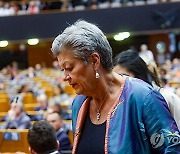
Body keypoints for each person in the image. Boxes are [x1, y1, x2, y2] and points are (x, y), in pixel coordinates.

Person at [50, 20, 180, 154]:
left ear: (94, 61)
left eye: (69, 68)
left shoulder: (143, 97)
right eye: (63, 70)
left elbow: (173, 149)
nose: (65, 76)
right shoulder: (79, 103)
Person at [113, 49, 180, 129]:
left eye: (123, 76)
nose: (119, 81)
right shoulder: (117, 104)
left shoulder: (166, 97)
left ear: (139, 75)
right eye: (115, 78)